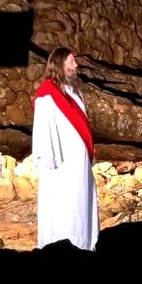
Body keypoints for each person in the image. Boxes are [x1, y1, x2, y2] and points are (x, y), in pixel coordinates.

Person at [32, 47, 100, 250]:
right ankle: (60, 251)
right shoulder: (47, 94)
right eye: (71, 61)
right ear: (60, 64)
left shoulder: (74, 93)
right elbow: (43, 128)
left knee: (81, 206)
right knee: (64, 208)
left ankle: (85, 246)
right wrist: (46, 157)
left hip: (79, 164)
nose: (75, 65)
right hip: (61, 166)